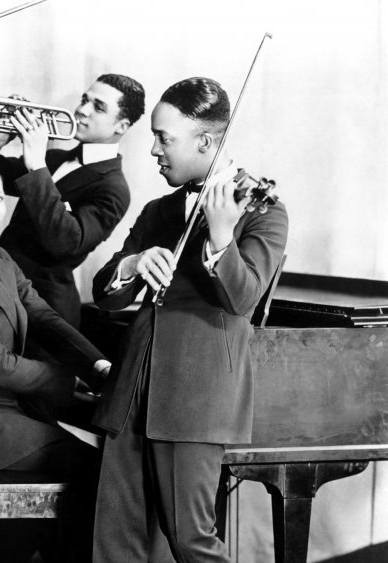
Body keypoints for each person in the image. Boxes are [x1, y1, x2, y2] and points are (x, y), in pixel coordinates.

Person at [90, 77, 288, 562]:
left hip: (195, 396)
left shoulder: (263, 210)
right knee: (117, 547)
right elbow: (106, 296)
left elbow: (243, 300)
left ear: (205, 141)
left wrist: (220, 238)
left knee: (190, 540)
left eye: (164, 138)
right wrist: (130, 266)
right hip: (132, 391)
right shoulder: (160, 209)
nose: (154, 149)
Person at [0, 155, 111, 563]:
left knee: (101, 457)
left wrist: (98, 366)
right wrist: (67, 383)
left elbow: (43, 317)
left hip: (10, 408)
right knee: (95, 467)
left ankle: (6, 552)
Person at [0, 74, 146, 327]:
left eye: (98, 107)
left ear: (121, 126)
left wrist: (36, 166)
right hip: (0, 287)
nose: (82, 110)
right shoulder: (54, 159)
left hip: (45, 312)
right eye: (84, 100)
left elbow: (66, 243)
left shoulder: (114, 189)